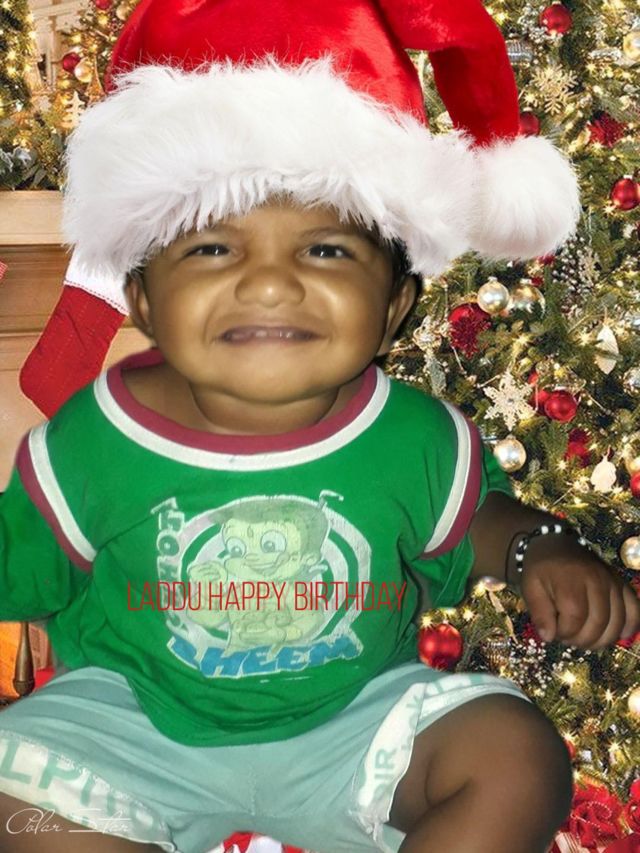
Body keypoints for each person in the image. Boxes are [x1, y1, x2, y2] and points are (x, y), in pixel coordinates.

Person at [1, 1, 638, 852]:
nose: (270, 283)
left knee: (517, 758)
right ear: (143, 298)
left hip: (354, 726)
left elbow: (474, 521)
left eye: (326, 249)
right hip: (133, 726)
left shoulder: (412, 434)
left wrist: (537, 549)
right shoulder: (94, 440)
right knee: (17, 802)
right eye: (212, 248)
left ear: (395, 303)